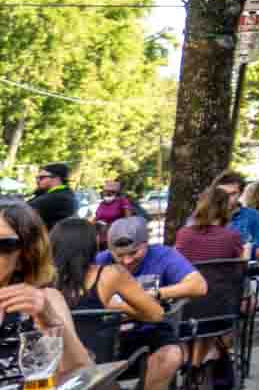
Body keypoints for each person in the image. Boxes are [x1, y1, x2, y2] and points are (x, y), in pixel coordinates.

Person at [94, 216, 205, 390]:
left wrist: (157, 293)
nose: (127, 261)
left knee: (171, 355)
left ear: (146, 244)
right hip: (109, 333)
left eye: (134, 252)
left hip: (150, 328)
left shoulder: (163, 255)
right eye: (120, 255)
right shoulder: (100, 261)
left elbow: (199, 285)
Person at [0, 204, 89, 381]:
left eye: (3, 245)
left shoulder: (44, 300)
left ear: (25, 255)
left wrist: (50, 320)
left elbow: (82, 373)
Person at [172, 188, 247, 389]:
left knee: (196, 309)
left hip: (187, 307)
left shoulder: (183, 235)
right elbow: (240, 267)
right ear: (225, 209)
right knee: (214, 304)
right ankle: (198, 364)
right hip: (221, 308)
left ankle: (192, 364)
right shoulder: (232, 236)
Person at [211, 171, 259, 262]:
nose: (227, 198)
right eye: (222, 193)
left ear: (240, 194)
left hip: (238, 270)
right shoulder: (203, 215)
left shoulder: (253, 216)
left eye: (232, 194)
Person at [91, 178, 142, 246]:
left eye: (110, 192)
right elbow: (96, 218)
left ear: (116, 193)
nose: (107, 193)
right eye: (105, 192)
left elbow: (128, 218)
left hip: (117, 235)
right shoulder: (102, 204)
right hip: (102, 236)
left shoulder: (122, 201)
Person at [27, 165, 77, 230]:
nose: (37, 181)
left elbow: (21, 211)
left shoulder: (58, 197)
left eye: (42, 178)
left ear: (57, 179)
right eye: (37, 178)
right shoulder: (65, 193)